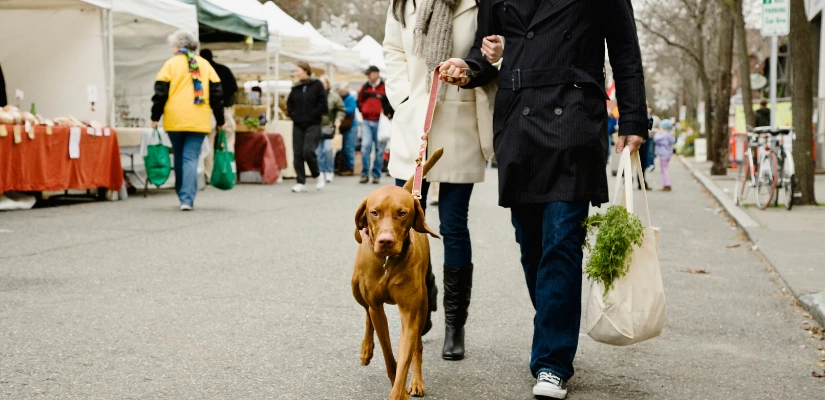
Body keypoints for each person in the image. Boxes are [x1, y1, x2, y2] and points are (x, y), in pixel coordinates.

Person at [439, 0, 648, 397]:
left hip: (574, 118)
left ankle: (552, 362)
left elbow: (625, 48)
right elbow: (484, 53)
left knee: (561, 243)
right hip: (518, 120)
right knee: (531, 245)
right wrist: (468, 70)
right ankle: (555, 326)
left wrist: (634, 118)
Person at [384, 0, 503, 361]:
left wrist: (473, 67)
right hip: (413, 120)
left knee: (453, 224)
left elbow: (492, 55)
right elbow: (392, 51)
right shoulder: (404, 3)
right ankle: (423, 297)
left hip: (459, 118)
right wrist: (404, 97)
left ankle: (455, 325)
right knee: (407, 224)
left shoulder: (482, 4)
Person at [151, 30, 224, 211]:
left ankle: (181, 193)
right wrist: (220, 119)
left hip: (175, 119)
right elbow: (217, 94)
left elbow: (160, 93)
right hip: (198, 119)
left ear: (177, 46)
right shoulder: (205, 65)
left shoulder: (170, 65)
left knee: (179, 157)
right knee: (190, 157)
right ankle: (187, 198)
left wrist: (155, 116)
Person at [287, 61, 328, 193]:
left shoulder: (317, 85)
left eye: (297, 70)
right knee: (297, 153)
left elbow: (323, 104)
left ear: (305, 70)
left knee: (308, 151)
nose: (296, 73)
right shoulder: (295, 88)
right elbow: (289, 104)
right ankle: (300, 182)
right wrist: (294, 115)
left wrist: (313, 115)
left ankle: (317, 174)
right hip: (298, 124)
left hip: (313, 124)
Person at [200, 49, 238, 184]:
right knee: (228, 140)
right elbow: (234, 87)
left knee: (208, 141)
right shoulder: (223, 70)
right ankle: (228, 169)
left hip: (207, 109)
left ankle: (209, 174)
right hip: (225, 109)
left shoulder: (200, 71)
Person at [357, 65, 392, 184]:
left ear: (376, 73)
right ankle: (365, 173)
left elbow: (390, 101)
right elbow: (359, 100)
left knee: (379, 149)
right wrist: (363, 110)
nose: (368, 76)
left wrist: (387, 113)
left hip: (380, 121)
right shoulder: (365, 87)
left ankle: (376, 174)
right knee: (365, 146)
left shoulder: (384, 87)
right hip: (367, 120)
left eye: (369, 73)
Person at [317, 76, 345, 183]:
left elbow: (341, 110)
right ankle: (321, 171)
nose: (322, 85)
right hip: (316, 128)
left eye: (324, 83)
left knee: (328, 149)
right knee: (318, 152)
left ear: (328, 84)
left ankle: (329, 171)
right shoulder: (315, 96)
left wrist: (338, 119)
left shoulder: (334, 97)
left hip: (329, 128)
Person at [336, 84, 358, 176]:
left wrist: (341, 109)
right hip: (344, 126)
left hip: (351, 126)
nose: (340, 93)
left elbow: (351, 110)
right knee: (343, 148)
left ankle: (350, 168)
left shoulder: (350, 99)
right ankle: (343, 167)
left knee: (349, 148)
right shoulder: (341, 98)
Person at [654, 119, 677, 191]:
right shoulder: (670, 135)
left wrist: (661, 133)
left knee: (664, 169)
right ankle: (666, 184)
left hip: (663, 154)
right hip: (668, 154)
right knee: (665, 168)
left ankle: (666, 184)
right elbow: (673, 141)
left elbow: (656, 139)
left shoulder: (661, 135)